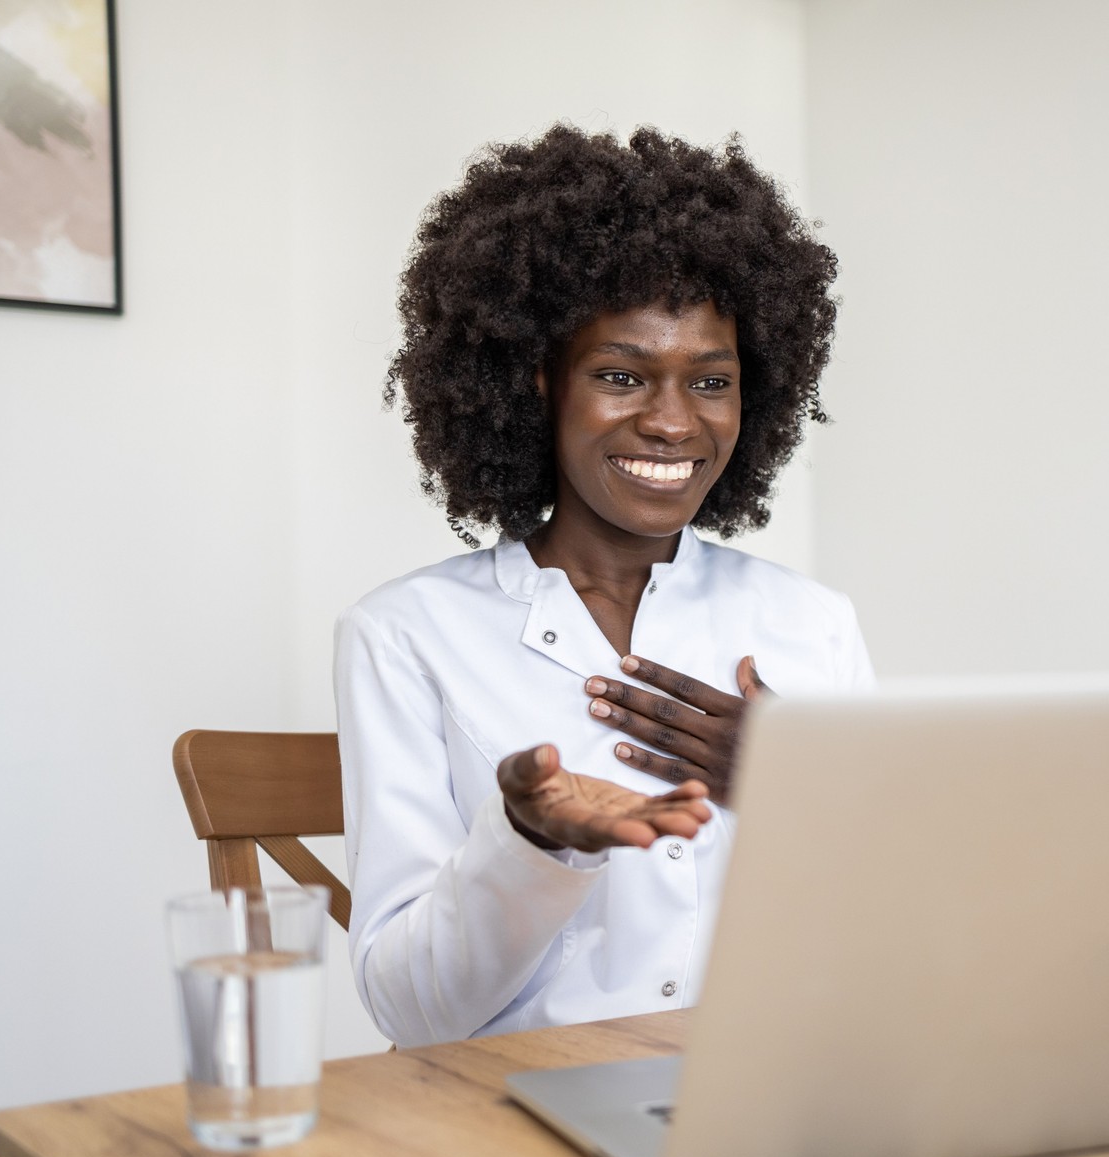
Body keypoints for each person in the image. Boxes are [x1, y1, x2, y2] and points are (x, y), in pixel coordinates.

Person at [335, 125, 873, 1049]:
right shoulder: (404, 636)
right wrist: (535, 847)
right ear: (537, 383)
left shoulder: (812, 627)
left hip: (755, 1098)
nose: (671, 422)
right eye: (622, 376)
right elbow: (412, 1014)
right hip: (509, 1122)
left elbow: (892, 947)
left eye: (711, 380)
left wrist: (796, 785)